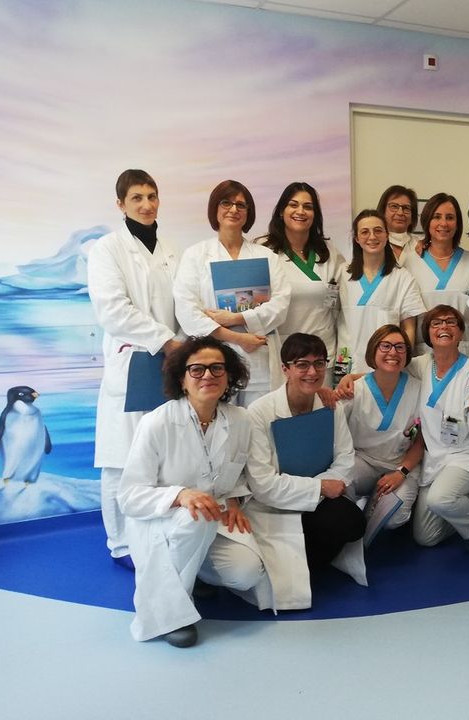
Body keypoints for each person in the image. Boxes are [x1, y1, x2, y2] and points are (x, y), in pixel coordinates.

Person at [118, 337, 265, 647]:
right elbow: (129, 497)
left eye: (217, 368)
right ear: (182, 380)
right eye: (197, 369)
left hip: (215, 514)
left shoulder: (240, 420)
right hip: (161, 520)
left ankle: (192, 571)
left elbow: (238, 472)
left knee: (246, 574)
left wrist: (235, 501)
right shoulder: (155, 423)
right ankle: (173, 614)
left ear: (228, 376)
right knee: (195, 516)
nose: (208, 375)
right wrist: (180, 495)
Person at [87, 169, 181, 571]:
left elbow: (184, 304)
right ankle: (122, 543)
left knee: (163, 453)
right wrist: (167, 340)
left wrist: (184, 343)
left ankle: (157, 534)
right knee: (120, 457)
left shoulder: (171, 251)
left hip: (171, 362)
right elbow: (112, 310)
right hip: (133, 362)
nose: (146, 205)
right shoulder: (107, 250)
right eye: (137, 198)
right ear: (120, 204)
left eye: (152, 196)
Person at [243, 333, 364, 611]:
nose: (312, 372)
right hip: (275, 503)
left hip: (319, 499)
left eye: (319, 364)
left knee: (352, 523)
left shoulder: (330, 406)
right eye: (302, 365)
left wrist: (322, 488)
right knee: (276, 568)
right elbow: (263, 484)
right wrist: (319, 487)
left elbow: (345, 457)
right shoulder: (259, 412)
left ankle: (311, 560)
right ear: (285, 369)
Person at [173, 180, 290, 406]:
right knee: (217, 419)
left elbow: (280, 305)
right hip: (213, 359)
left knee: (259, 421)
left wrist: (236, 318)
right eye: (226, 203)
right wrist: (238, 338)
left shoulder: (266, 257)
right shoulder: (195, 255)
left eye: (241, 205)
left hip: (258, 358)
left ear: (248, 212)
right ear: (215, 209)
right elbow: (187, 311)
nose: (234, 209)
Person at [411, 305, 469, 550]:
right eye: (436, 323)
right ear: (427, 333)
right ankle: (468, 501)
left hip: (468, 454)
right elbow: (387, 371)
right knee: (425, 537)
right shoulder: (419, 365)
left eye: (450, 322)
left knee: (440, 499)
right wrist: (351, 379)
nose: (444, 327)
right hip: (435, 459)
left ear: (460, 332)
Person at [258, 182, 346, 384]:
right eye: (293, 205)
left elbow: (340, 298)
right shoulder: (263, 250)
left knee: (320, 404)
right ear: (281, 211)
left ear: (315, 214)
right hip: (282, 356)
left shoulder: (329, 251)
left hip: (321, 355)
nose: (301, 211)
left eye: (308, 207)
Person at [339, 325, 424, 531]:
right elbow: (335, 435)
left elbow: (421, 440)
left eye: (400, 347)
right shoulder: (354, 390)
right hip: (363, 461)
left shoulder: (419, 389)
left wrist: (401, 472)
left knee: (394, 518)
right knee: (339, 483)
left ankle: (372, 505)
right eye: (385, 346)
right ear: (373, 351)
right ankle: (357, 515)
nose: (393, 352)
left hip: (400, 465)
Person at [334, 210, 425, 377]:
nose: (372, 237)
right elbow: (331, 316)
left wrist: (401, 362)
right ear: (356, 238)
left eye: (378, 230)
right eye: (364, 232)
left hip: (388, 367)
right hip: (348, 364)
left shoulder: (403, 278)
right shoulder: (342, 274)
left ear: (387, 235)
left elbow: (409, 328)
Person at [404, 193, 469, 355]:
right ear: (427, 221)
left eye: (450, 217)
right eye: (436, 217)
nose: (443, 223)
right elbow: (407, 317)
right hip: (423, 354)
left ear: (458, 224)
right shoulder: (410, 262)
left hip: (465, 352)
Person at [377, 185, 421, 264]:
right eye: (394, 206)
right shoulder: (372, 243)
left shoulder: (421, 244)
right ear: (383, 211)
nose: (400, 213)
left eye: (406, 208)